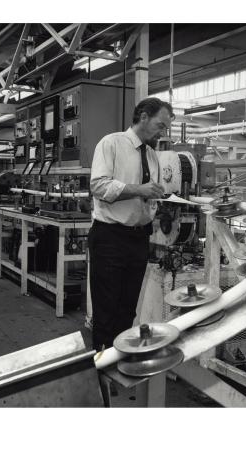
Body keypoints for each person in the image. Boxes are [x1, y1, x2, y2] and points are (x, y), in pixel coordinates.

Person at [88, 97, 174, 351]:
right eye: (161, 125)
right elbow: (99, 185)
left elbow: (147, 193)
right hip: (110, 237)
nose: (163, 131)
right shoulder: (111, 143)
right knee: (106, 310)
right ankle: (102, 370)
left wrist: (156, 201)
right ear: (143, 117)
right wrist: (139, 189)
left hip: (138, 238)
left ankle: (121, 364)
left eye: (166, 127)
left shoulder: (152, 155)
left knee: (127, 309)